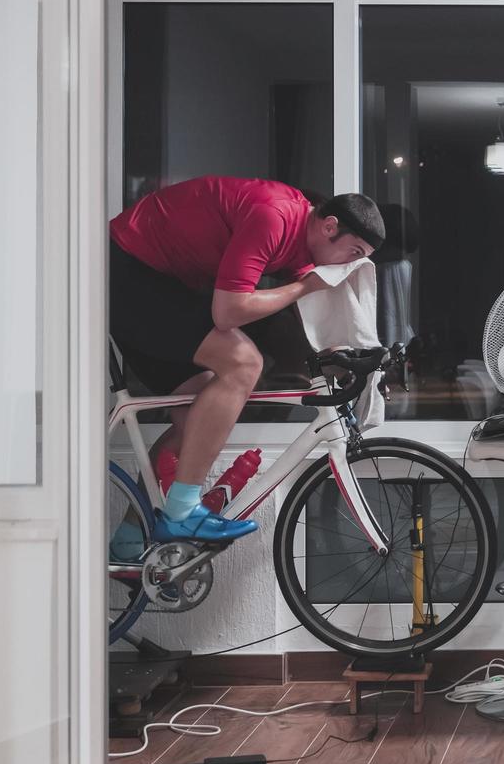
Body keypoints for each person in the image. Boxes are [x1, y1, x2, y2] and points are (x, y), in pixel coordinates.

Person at [110, 177, 384, 541]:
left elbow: (305, 321)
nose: (352, 265)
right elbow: (228, 312)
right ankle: (181, 512)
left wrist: (348, 357)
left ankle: (130, 542)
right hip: (127, 269)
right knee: (244, 363)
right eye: (355, 253)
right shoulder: (275, 215)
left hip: (163, 281)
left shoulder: (305, 243)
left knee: (197, 419)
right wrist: (303, 286)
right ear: (329, 226)